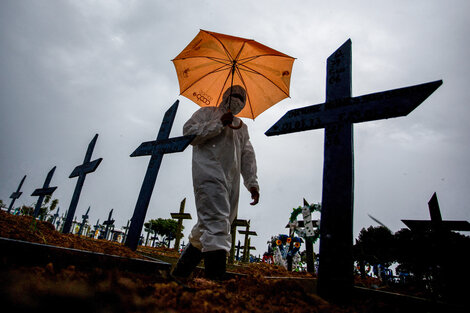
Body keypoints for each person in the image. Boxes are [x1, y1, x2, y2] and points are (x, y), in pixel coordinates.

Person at [172, 85, 259, 280]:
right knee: (217, 223)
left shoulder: (242, 127)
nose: (237, 100)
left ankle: (178, 275)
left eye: (241, 98)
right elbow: (189, 134)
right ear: (225, 96)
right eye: (234, 95)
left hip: (231, 181)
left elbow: (247, 156)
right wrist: (218, 123)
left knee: (209, 226)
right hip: (208, 173)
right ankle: (215, 284)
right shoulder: (206, 113)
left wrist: (252, 183)